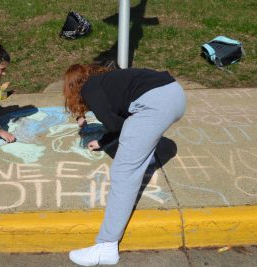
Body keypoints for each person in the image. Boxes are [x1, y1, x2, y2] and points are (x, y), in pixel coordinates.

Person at [63, 64, 186, 266]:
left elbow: (117, 125)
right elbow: (125, 121)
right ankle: (148, 155)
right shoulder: (107, 81)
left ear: (73, 86)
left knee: (123, 172)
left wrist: (105, 139)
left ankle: (107, 246)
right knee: (136, 134)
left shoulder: (90, 89)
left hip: (156, 104)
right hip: (174, 93)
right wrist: (103, 142)